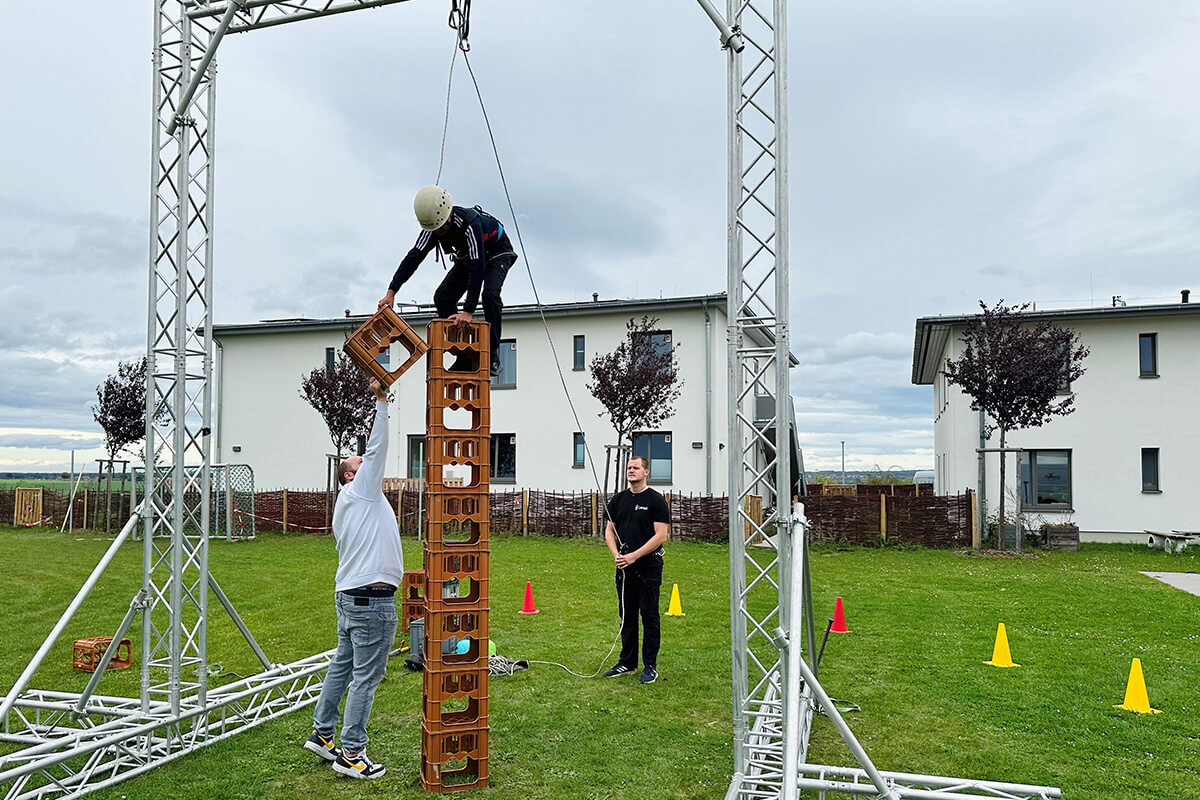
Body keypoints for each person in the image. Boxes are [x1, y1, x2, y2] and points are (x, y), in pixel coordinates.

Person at [302, 377, 403, 780]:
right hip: (371, 601)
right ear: (348, 476)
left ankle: (322, 733)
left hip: (350, 597)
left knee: (342, 667)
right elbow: (376, 449)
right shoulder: (361, 492)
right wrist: (382, 402)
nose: (367, 465)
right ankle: (352, 754)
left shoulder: (352, 502)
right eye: (359, 465)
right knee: (366, 677)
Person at [378, 185, 517, 375]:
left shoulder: (470, 224)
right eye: (435, 230)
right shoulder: (432, 229)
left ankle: (492, 353)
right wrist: (391, 291)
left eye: (442, 228)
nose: (439, 233)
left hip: (497, 253)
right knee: (443, 297)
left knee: (490, 295)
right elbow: (414, 256)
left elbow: (477, 267)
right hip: (468, 256)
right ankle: (463, 354)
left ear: (448, 215)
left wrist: (468, 311)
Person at [603, 456, 670, 684]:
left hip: (649, 567)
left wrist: (634, 556)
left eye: (636, 468)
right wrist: (617, 555)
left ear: (646, 472)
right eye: (629, 468)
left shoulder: (656, 501)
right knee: (627, 616)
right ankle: (627, 663)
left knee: (649, 615)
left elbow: (661, 536)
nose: (631, 471)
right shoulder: (618, 500)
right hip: (624, 570)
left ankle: (650, 666)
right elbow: (609, 531)